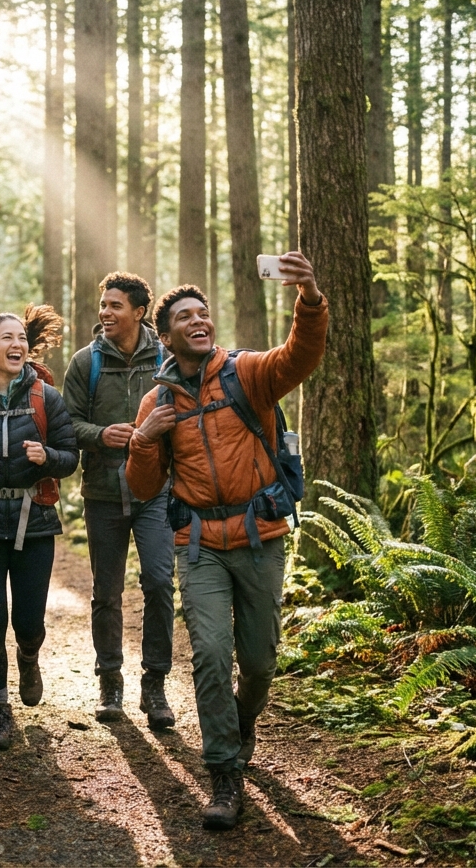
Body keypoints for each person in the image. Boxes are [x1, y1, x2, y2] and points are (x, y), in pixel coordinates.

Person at [126, 252, 326, 831]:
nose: (198, 321)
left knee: (259, 660)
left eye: (203, 313)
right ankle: (222, 774)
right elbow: (143, 488)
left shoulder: (247, 373)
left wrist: (308, 298)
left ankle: (242, 723)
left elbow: (302, 354)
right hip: (200, 546)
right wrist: (143, 440)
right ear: (164, 335)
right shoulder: (157, 403)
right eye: (184, 316)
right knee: (212, 653)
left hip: (260, 536)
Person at [0, 305, 79, 751]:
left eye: (21, 339)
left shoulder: (47, 398)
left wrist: (47, 458)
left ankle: (29, 656)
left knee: (28, 620)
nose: (17, 345)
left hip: (36, 523)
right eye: (6, 338)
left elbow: (70, 456)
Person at [62, 273, 175, 729]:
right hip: (103, 492)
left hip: (156, 490)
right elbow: (65, 425)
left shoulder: (168, 357)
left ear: (139, 311)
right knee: (106, 592)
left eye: (114, 306)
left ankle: (156, 684)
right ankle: (110, 681)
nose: (105, 313)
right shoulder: (84, 362)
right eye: (102, 305)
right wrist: (102, 435)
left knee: (159, 583)